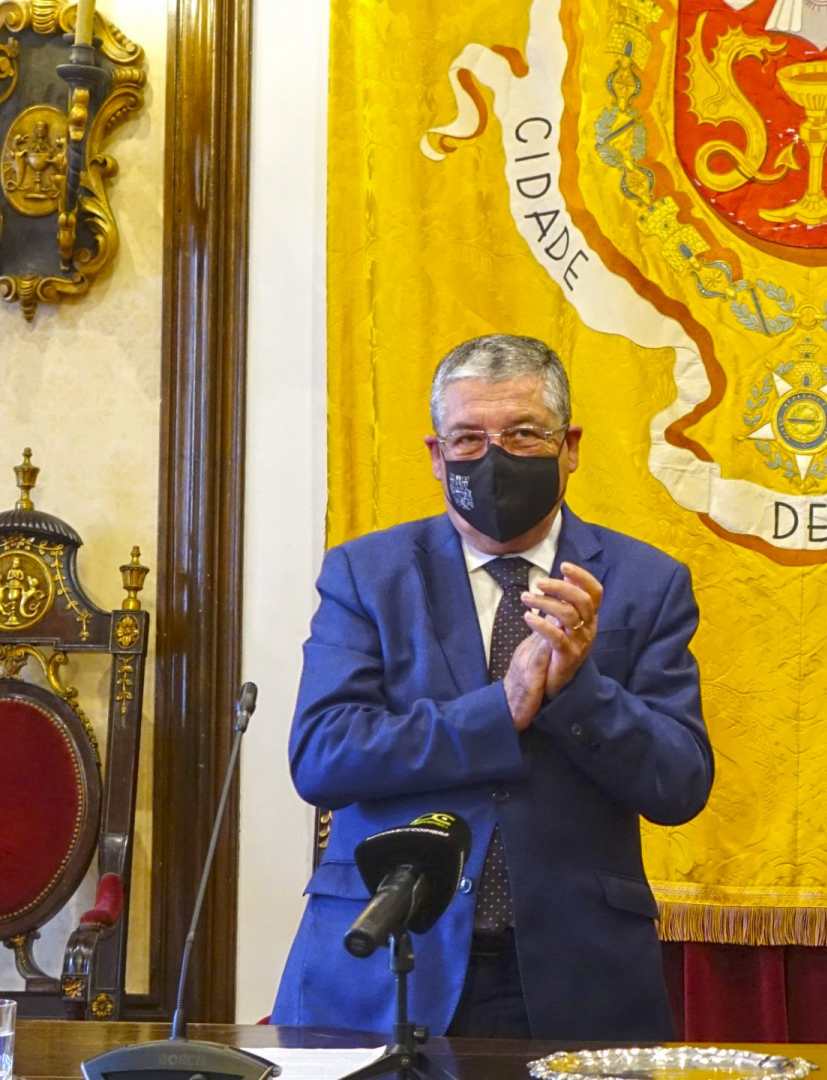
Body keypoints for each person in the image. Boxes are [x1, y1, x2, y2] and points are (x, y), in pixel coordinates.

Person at [271, 334, 712, 1040]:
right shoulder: (366, 573)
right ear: (436, 454)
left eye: (523, 434)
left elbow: (680, 784)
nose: (494, 457)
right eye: (468, 438)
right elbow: (323, 757)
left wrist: (577, 690)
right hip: (386, 964)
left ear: (569, 446)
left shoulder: (645, 581)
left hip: (575, 972)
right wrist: (499, 710)